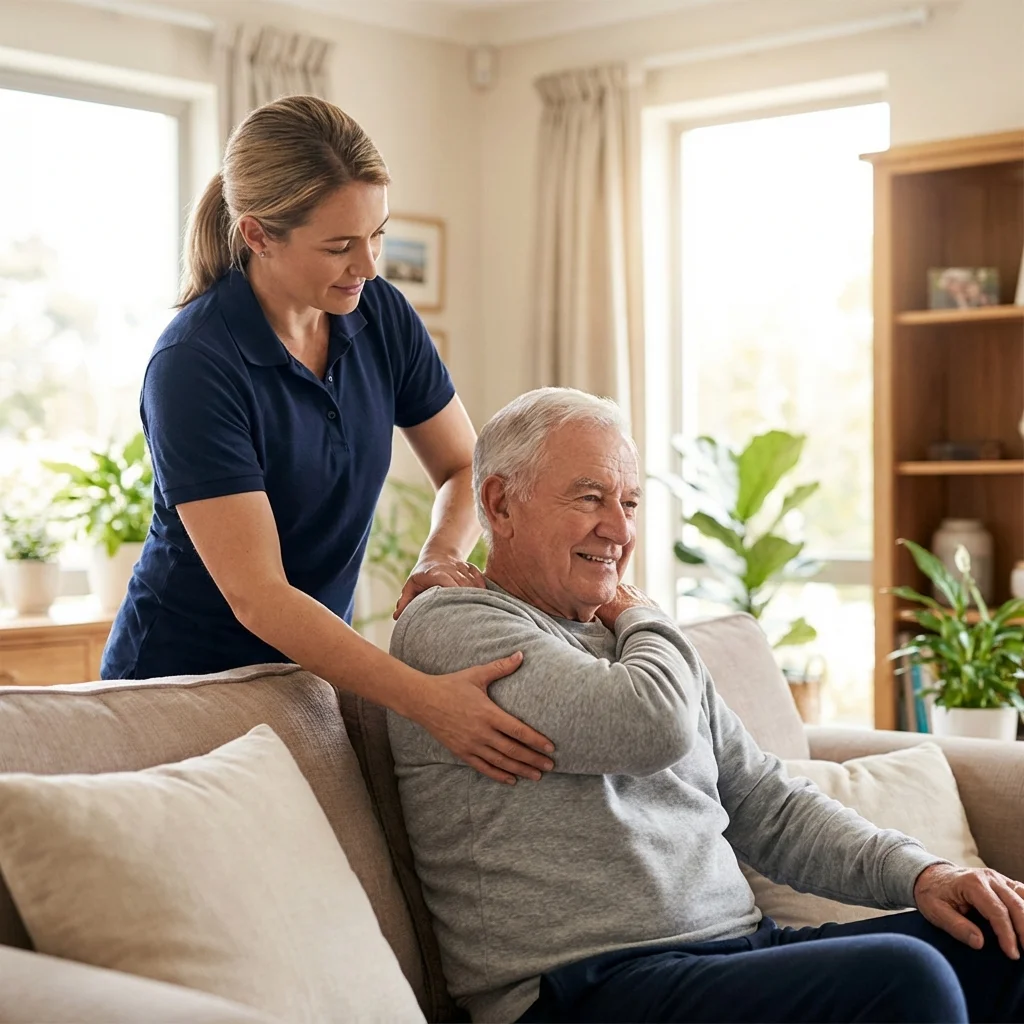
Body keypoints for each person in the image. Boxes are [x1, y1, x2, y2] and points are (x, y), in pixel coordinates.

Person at [388, 386, 1024, 1024]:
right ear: (500, 504)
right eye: (589, 498)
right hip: (583, 989)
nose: (620, 530)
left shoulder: (638, 643)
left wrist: (925, 874)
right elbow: (649, 726)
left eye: (629, 502)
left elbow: (766, 804)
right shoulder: (454, 624)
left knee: (1005, 939)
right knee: (907, 976)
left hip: (731, 957)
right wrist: (643, 612)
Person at [100, 95, 554, 787]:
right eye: (340, 246)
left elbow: (466, 465)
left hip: (300, 679)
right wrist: (428, 700)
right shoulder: (194, 364)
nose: (367, 265)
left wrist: (440, 553)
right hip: (177, 688)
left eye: (377, 236)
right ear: (258, 235)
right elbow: (259, 595)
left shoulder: (379, 314)